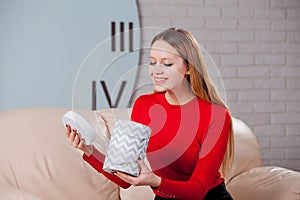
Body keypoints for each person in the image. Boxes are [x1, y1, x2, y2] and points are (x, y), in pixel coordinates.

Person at [66, 28, 234, 199]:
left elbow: (197, 190)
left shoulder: (217, 115)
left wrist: (155, 182)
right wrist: (89, 150)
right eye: (152, 62)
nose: (156, 71)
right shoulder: (144, 105)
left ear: (188, 68)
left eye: (167, 64)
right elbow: (125, 179)